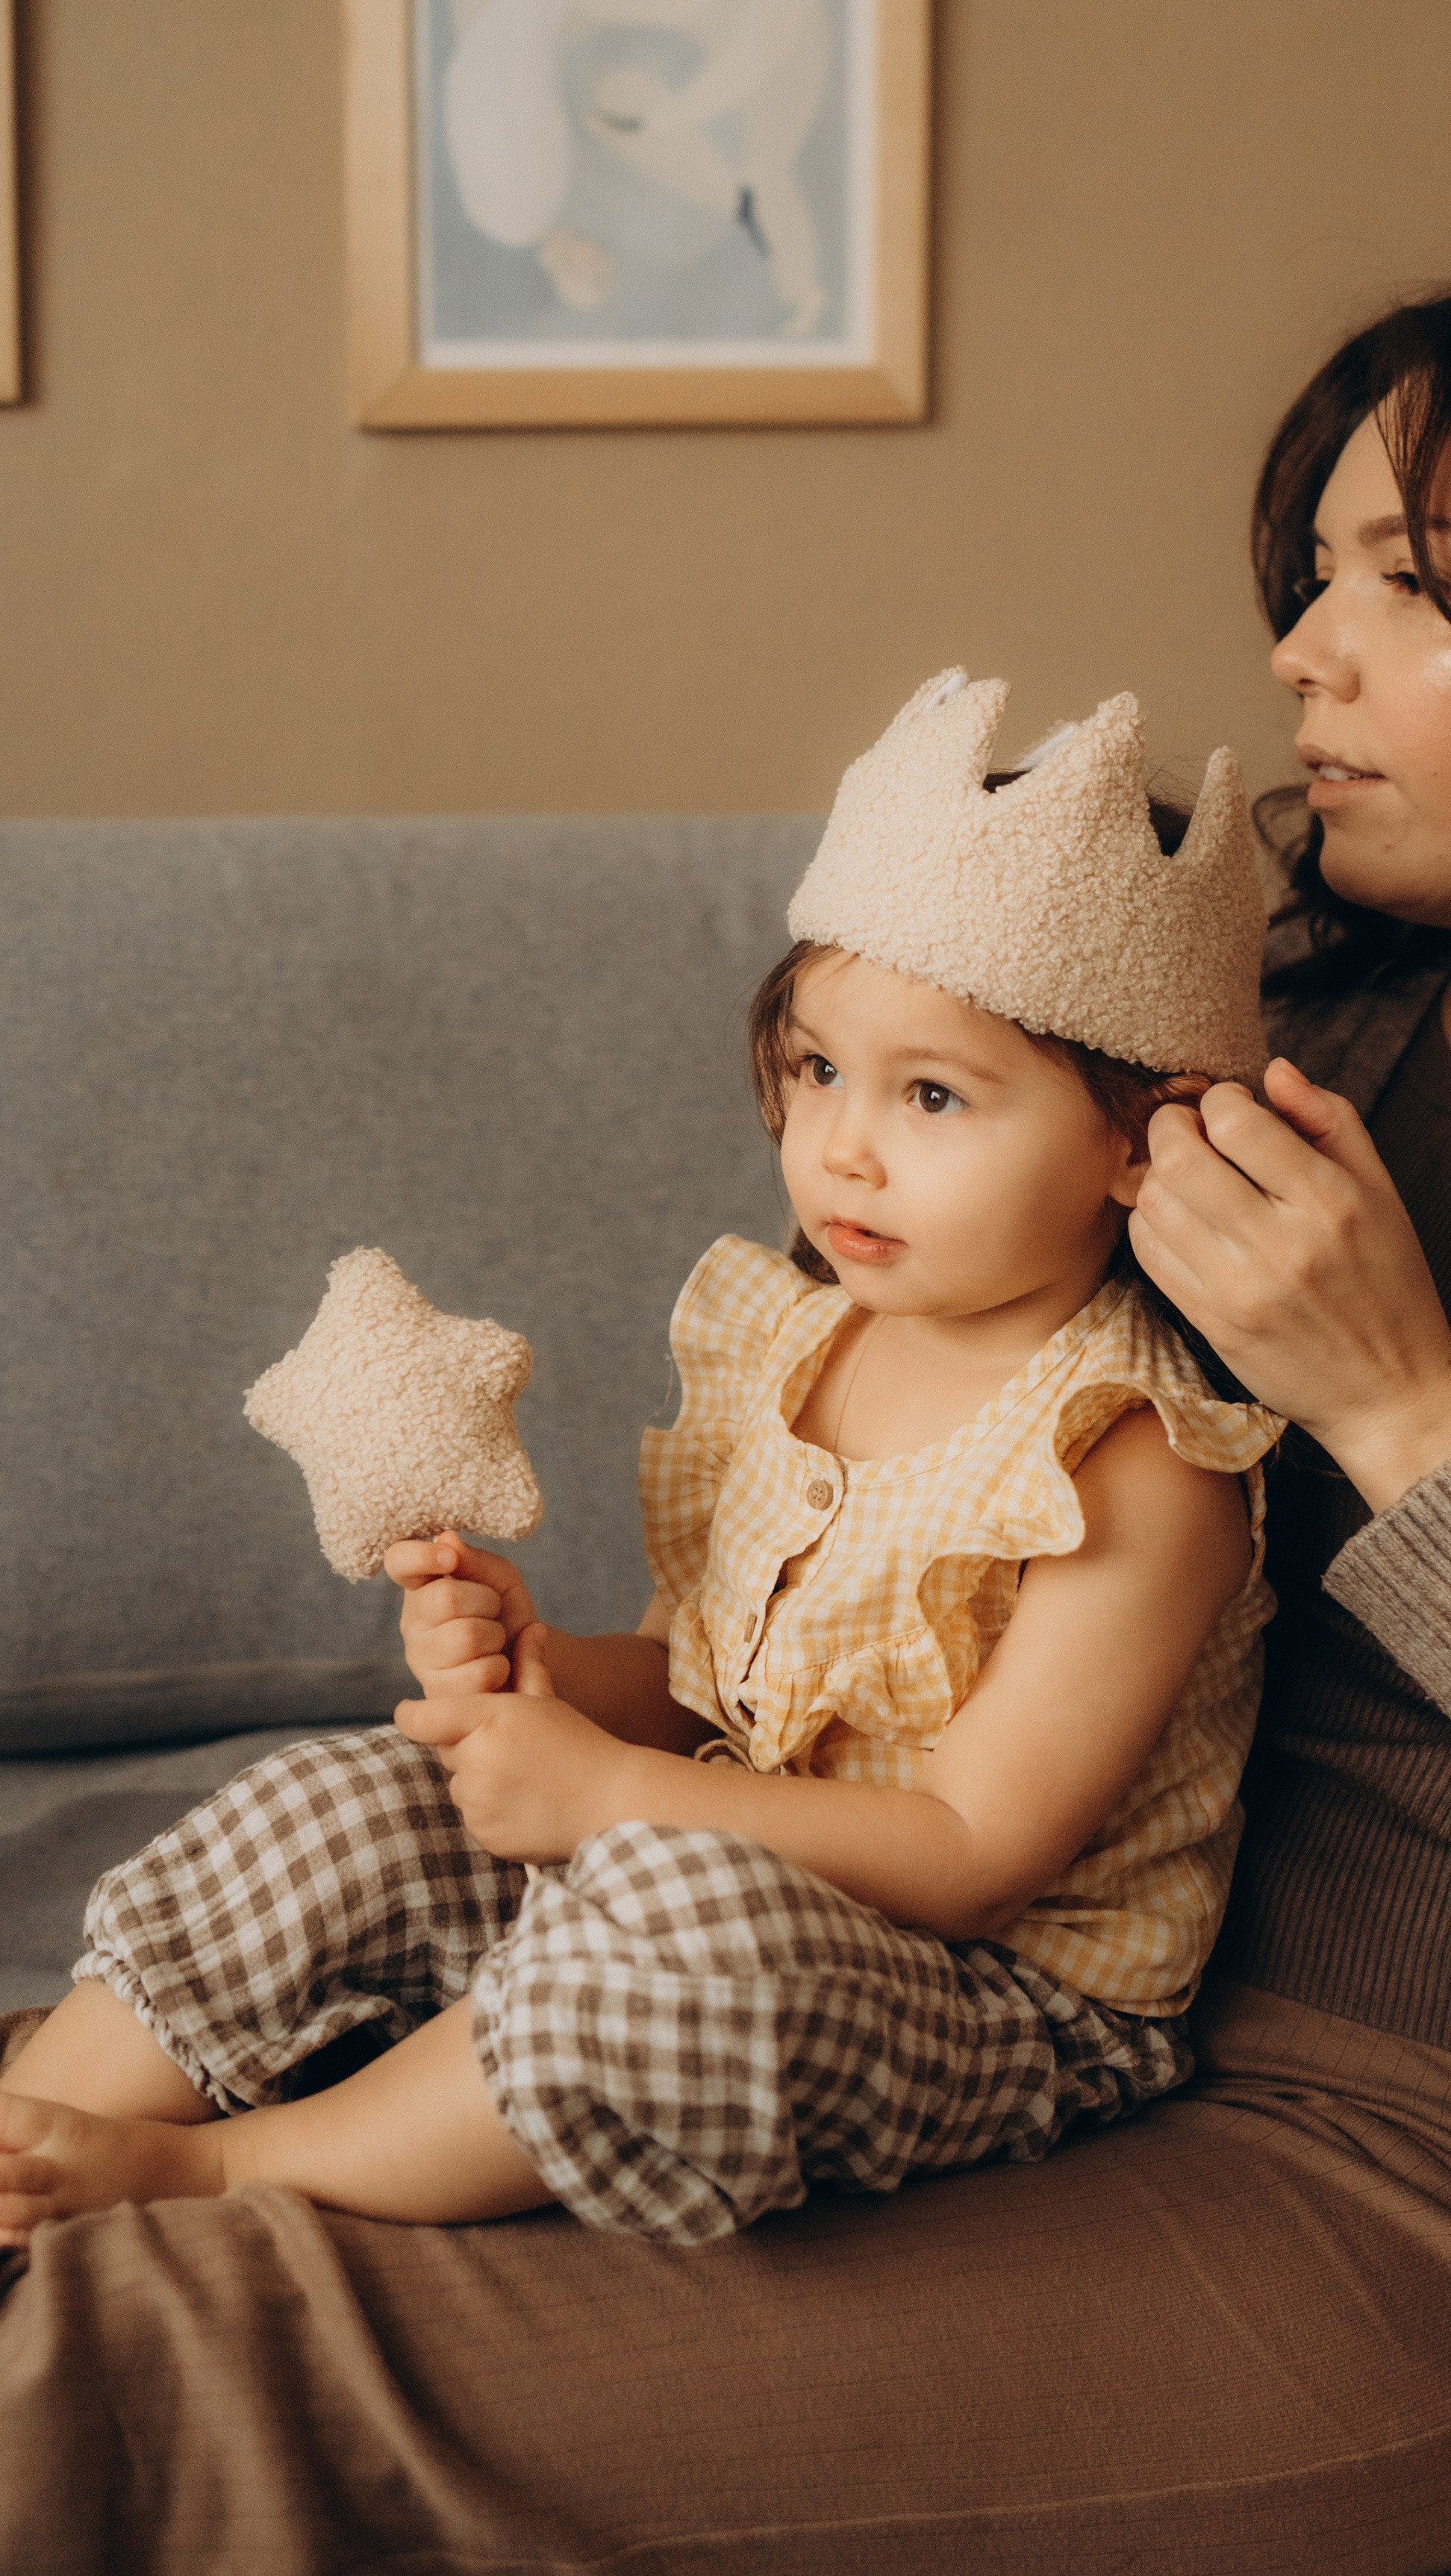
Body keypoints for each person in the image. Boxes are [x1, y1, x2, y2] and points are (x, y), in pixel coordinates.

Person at [0, 280, 1451, 2576]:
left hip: (1435, 2181)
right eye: (1317, 570)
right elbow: (856, 1548)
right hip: (916, 1983)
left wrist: (1408, 1417)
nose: (1304, 649)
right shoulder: (1237, 1030)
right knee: (150, 2075)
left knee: (183, 2334)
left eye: (1426, 586)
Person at [0, 679, 1285, 2242]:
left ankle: (230, 2169)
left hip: (989, 1993)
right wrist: (542, 1679)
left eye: (932, 1095)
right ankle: (37, 2129)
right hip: (712, 1841)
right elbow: (703, 1690)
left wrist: (609, 1798)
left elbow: (970, 1855)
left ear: (1137, 1143)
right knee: (355, 1800)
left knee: (677, 1932)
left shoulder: (1139, 1464)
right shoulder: (804, 1342)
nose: (841, 1150)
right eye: (817, 1071)